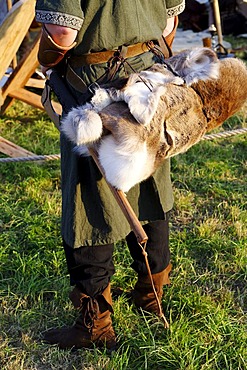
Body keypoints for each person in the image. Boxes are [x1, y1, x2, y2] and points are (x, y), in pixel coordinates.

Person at [35, 0, 185, 350]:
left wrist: (47, 62)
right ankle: (151, 295)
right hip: (149, 79)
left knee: (92, 198)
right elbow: (169, 21)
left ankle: (95, 325)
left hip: (94, 87)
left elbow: (62, 32)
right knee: (148, 180)